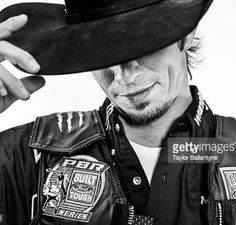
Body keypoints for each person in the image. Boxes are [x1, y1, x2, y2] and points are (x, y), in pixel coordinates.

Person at [0, 0, 236, 225]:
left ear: (186, 33)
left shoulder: (230, 149)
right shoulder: (24, 157)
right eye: (102, 54)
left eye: (142, 45)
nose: (123, 76)